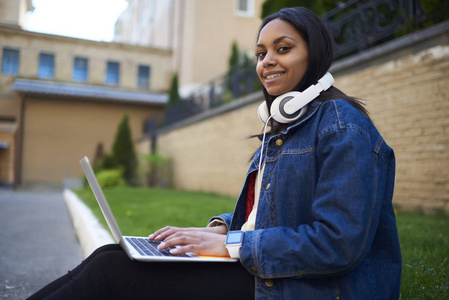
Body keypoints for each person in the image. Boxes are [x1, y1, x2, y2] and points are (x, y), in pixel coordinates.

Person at [28, 6, 401, 300]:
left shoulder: (343, 127)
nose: (266, 61)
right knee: (111, 256)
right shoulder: (283, 128)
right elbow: (270, 213)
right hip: (272, 276)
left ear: (314, 54)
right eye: (260, 53)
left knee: (114, 274)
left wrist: (230, 244)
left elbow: (337, 243)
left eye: (282, 49)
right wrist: (218, 229)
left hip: (311, 290)